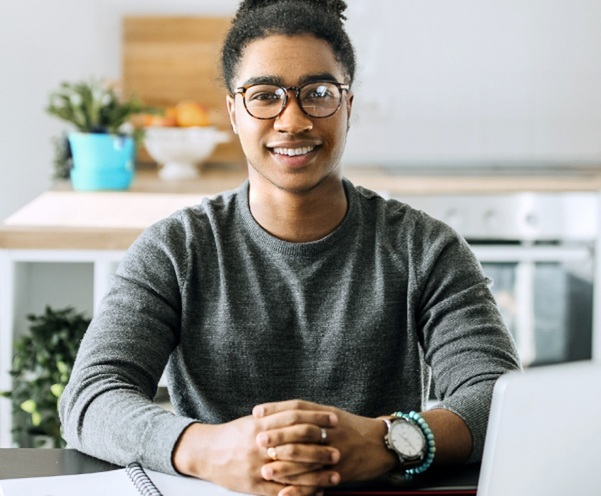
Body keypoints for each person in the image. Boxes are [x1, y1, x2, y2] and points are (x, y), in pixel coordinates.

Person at [59, 1, 521, 495]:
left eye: (318, 93)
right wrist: (208, 449)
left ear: (348, 104)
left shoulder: (424, 248)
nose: (293, 120)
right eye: (265, 96)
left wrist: (387, 440)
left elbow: (499, 397)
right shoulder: (177, 248)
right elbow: (92, 396)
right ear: (234, 112)